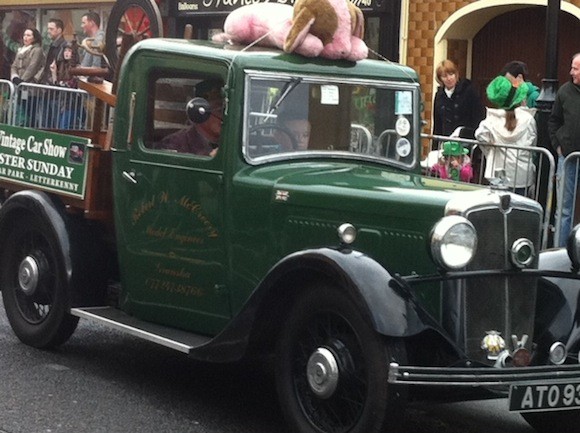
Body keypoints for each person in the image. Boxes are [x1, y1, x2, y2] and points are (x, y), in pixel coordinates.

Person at [475, 75, 537, 196]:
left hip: (497, 172)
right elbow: (533, 143)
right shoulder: (528, 119)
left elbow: (480, 135)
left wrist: (491, 149)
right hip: (521, 175)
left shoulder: (490, 120)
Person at [548, 53, 580, 246]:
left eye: (575, 68)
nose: (571, 72)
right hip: (568, 158)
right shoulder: (564, 92)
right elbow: (554, 120)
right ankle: (560, 252)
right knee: (564, 209)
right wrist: (557, 145)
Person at [158, 79, 223, 157]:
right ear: (199, 111)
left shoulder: (233, 144)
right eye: (220, 110)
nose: (225, 116)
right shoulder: (174, 144)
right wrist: (208, 158)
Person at [432, 59, 484, 149]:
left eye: (451, 74)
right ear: (440, 79)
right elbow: (437, 124)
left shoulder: (469, 90)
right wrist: (435, 148)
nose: (449, 78)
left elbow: (478, 116)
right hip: (446, 142)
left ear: (456, 74)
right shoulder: (439, 95)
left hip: (466, 142)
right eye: (444, 76)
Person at [10, 27, 45, 126]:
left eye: (29, 35)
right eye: (25, 35)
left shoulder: (37, 50)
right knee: (21, 109)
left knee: (31, 112)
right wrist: (14, 77)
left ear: (34, 38)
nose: (25, 37)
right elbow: (14, 65)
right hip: (20, 85)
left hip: (31, 87)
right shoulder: (21, 50)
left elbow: (32, 67)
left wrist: (22, 80)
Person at [50, 42, 83, 129]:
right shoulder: (61, 65)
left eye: (69, 51)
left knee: (64, 126)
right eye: (65, 50)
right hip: (61, 100)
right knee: (58, 125)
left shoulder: (77, 67)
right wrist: (54, 73)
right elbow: (56, 84)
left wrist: (61, 84)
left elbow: (72, 83)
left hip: (71, 102)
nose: (66, 53)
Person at [40, 18, 67, 85]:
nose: (48, 31)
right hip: (49, 81)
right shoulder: (52, 45)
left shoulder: (64, 46)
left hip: (55, 82)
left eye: (51, 29)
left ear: (59, 30)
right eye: (48, 29)